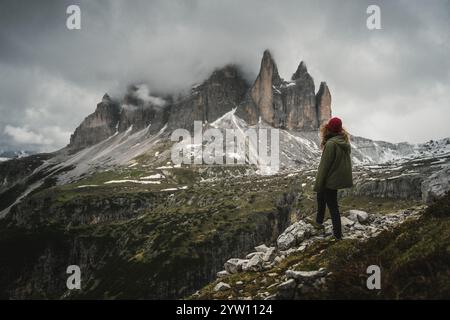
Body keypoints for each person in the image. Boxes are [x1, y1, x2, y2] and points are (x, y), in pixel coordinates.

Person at [312, 117, 353, 240]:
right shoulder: (344, 142)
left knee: (332, 206)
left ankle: (337, 235)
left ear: (329, 129)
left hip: (330, 180)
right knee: (322, 199)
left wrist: (318, 184)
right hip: (335, 179)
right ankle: (319, 225)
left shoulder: (331, 144)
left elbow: (324, 167)